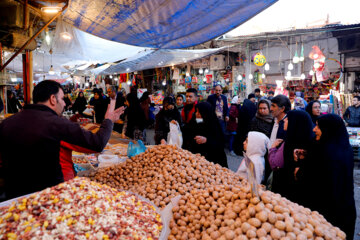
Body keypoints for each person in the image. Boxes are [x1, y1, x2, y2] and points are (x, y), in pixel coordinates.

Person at [0, 80, 124, 199]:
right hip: (51, 198)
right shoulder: (58, 124)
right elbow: (97, 143)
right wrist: (108, 120)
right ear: (53, 99)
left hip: (14, 199)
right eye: (62, 98)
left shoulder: (6, 123)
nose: (64, 103)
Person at [300, 114, 356, 239]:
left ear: (328, 130)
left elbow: (317, 180)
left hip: (328, 213)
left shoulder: (329, 153)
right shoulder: (343, 147)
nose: (314, 129)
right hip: (344, 209)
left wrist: (301, 170)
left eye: (318, 127)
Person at [268, 110, 313, 201]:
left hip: (285, 190)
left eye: (288, 119)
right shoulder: (310, 142)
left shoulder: (289, 142)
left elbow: (275, 164)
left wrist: (272, 149)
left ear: (295, 123)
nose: (284, 121)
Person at [189, 102, 227, 167]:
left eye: (199, 112)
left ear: (205, 113)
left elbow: (220, 143)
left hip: (212, 162)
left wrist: (207, 140)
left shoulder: (214, 125)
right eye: (196, 111)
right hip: (195, 161)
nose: (196, 114)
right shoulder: (194, 121)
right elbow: (187, 133)